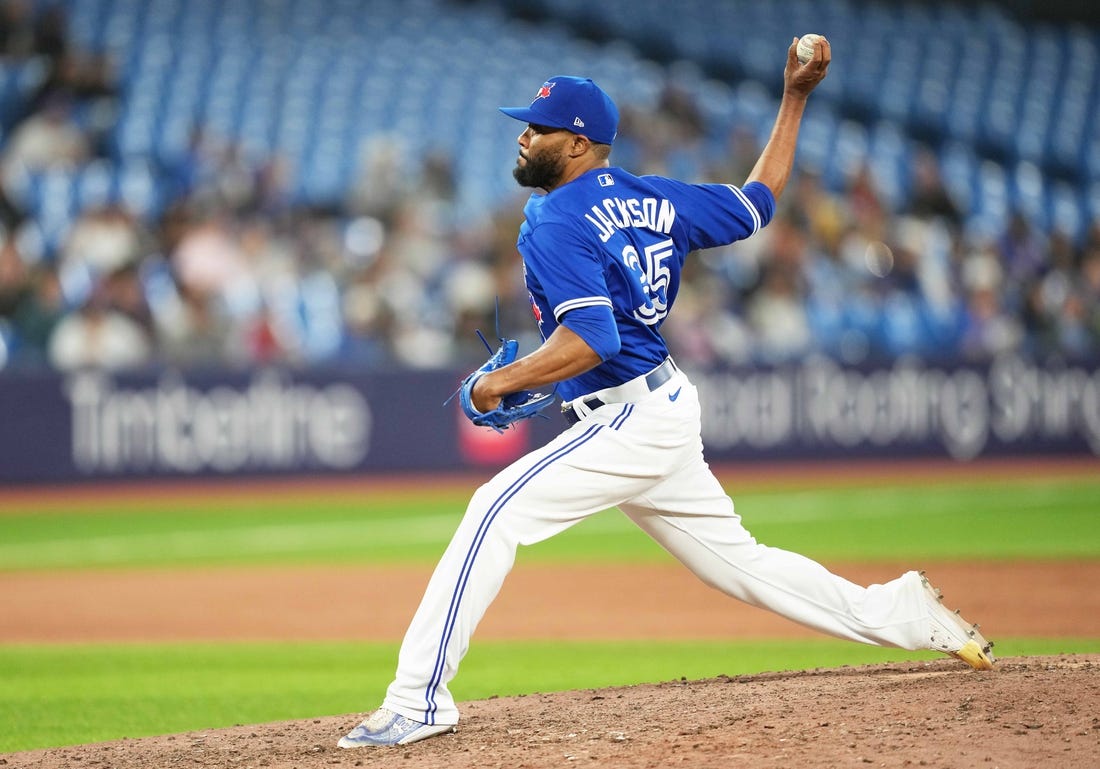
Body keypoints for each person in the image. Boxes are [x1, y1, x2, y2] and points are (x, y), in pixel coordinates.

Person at [338, 37, 995, 749]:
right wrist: (795, 98)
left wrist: (497, 380)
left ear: (582, 144)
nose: (523, 135)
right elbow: (757, 204)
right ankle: (900, 611)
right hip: (662, 407)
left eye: (539, 127)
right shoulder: (651, 195)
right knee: (743, 565)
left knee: (492, 509)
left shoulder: (554, 218)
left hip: (628, 416)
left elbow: (592, 342)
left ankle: (418, 699)